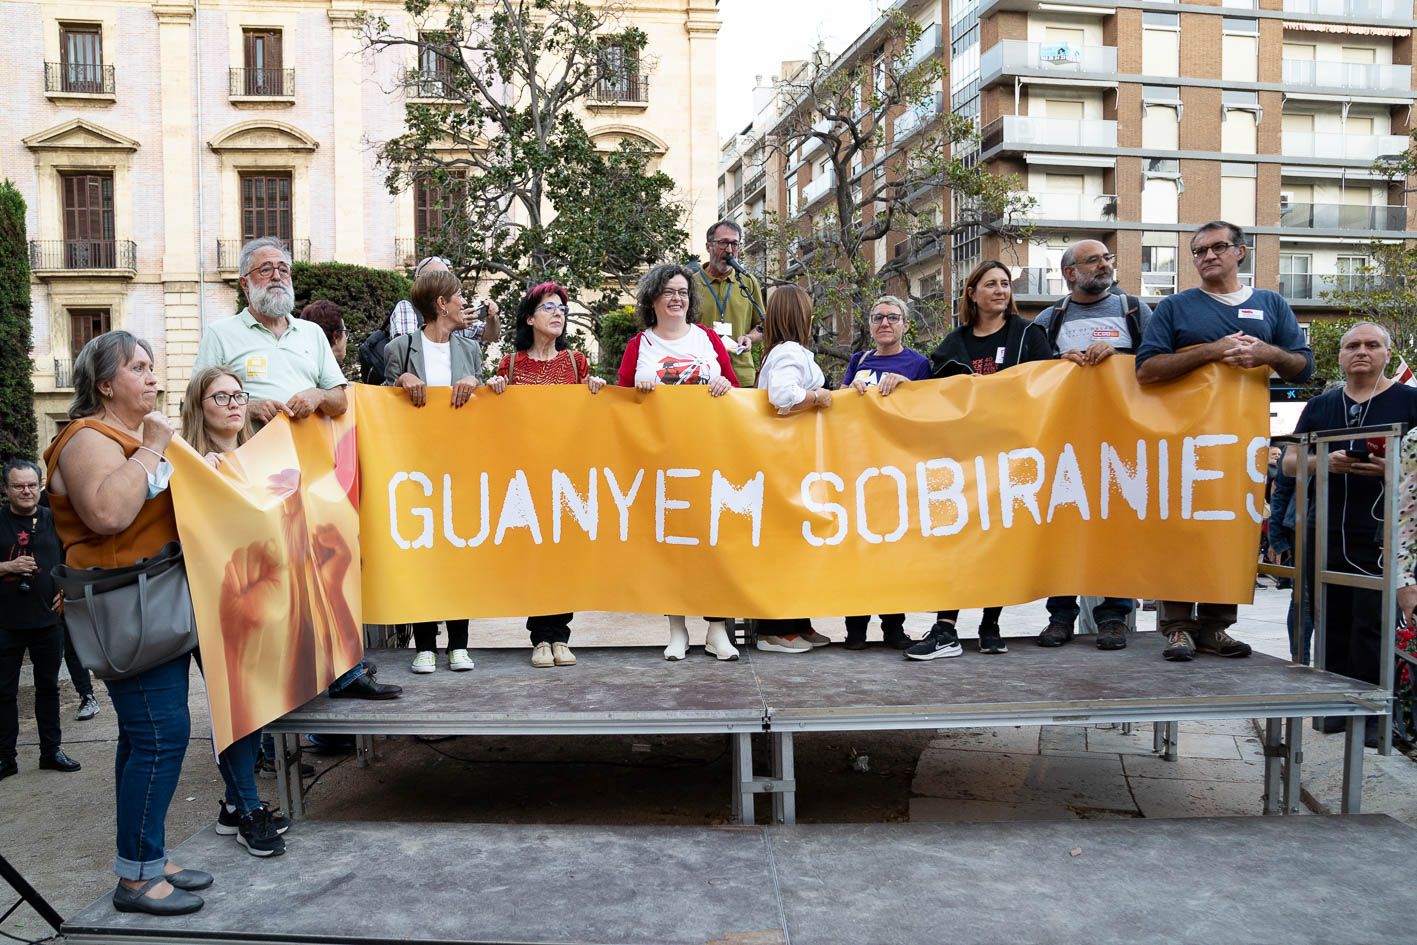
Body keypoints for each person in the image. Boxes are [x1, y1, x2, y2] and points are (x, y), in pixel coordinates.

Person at [42, 332, 208, 916]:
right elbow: (109, 513)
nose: (152, 377)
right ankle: (136, 879)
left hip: (146, 601)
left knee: (145, 738)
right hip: (124, 608)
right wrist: (154, 448)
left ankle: (147, 858)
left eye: (152, 366)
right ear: (105, 384)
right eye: (139, 368)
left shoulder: (124, 437)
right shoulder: (87, 438)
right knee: (163, 737)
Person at [195, 237, 398, 702]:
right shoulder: (222, 335)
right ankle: (278, 700)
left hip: (312, 472)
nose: (278, 275)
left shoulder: (310, 335)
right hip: (254, 476)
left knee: (327, 567)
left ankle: (344, 673)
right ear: (246, 283)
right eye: (265, 269)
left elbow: (340, 396)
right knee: (274, 584)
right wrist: (246, 406)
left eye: (283, 268)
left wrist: (315, 397)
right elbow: (200, 399)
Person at [1137, 221, 1314, 662]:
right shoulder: (1175, 307)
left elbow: (1303, 368)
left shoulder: (1270, 303)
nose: (1207, 256)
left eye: (1218, 247)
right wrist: (1214, 351)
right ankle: (1177, 626)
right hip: (1180, 441)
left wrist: (1268, 354)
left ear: (1242, 252)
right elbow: (1146, 370)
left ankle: (1217, 626)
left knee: (1230, 531)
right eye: (1198, 251)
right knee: (1178, 530)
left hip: (1241, 443)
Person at [909, 261, 1050, 661]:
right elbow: (930, 394)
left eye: (1005, 284)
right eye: (990, 284)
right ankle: (945, 628)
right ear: (972, 293)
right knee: (958, 542)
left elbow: (1051, 381)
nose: (1000, 290)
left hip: (1013, 457)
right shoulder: (954, 343)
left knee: (999, 542)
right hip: (965, 461)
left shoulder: (1028, 335)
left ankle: (991, 624)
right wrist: (905, 386)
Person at [176, 367, 289, 856]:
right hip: (209, 602)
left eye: (238, 395)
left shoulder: (258, 457)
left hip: (259, 598)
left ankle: (230, 804)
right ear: (199, 406)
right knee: (234, 704)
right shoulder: (185, 463)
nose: (232, 403)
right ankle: (247, 808)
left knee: (254, 704)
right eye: (219, 396)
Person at [1285, 323, 1417, 744]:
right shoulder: (1322, 405)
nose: (1362, 352)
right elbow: (1289, 461)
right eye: (1352, 346)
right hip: (1324, 530)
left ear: (1387, 352)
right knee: (1330, 621)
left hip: (1380, 532)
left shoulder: (1409, 401)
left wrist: (1393, 469)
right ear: (1340, 356)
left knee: (1374, 624)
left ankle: (1376, 717)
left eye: (1372, 345)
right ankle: (1333, 709)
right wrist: (1321, 463)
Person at [618, 263, 741, 661]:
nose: (677, 298)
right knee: (670, 546)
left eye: (684, 292)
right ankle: (677, 630)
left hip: (709, 457)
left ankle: (717, 630)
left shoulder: (706, 339)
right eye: (669, 291)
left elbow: (734, 391)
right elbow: (620, 403)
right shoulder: (642, 345)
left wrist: (724, 383)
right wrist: (638, 392)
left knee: (713, 544)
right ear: (652, 299)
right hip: (661, 462)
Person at [1032, 240, 1150, 651]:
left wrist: (1119, 355)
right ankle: (1060, 616)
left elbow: (1155, 365)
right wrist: (1058, 365)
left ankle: (1114, 616)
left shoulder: (1134, 311)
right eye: (1094, 260)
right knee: (1063, 528)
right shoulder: (1050, 319)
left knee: (1113, 531)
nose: (1104, 265)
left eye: (1107, 259)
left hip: (1120, 443)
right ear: (1069, 273)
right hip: (1065, 444)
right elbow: (1031, 377)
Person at [486, 281, 605, 668]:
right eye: (550, 307)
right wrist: (497, 389)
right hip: (525, 476)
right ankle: (540, 637)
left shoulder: (577, 363)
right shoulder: (511, 364)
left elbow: (588, 414)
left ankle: (560, 637)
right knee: (535, 554)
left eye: (563, 309)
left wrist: (595, 389)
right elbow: (499, 418)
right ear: (529, 317)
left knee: (562, 556)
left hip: (566, 476)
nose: (559, 314)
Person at [384, 269, 486, 674]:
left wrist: (474, 381)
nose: (465, 302)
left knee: (458, 553)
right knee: (423, 554)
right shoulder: (399, 348)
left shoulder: (470, 349)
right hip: (415, 468)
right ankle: (425, 645)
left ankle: (459, 644)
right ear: (441, 303)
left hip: (460, 466)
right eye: (459, 296)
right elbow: (382, 403)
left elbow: (483, 398)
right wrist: (401, 380)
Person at [842, 295, 930, 651]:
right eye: (878, 317)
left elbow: (929, 410)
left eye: (893, 317)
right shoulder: (857, 360)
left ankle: (894, 627)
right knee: (857, 552)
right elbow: (840, 408)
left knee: (896, 553)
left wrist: (907, 390)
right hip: (858, 469)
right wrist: (850, 392)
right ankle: (856, 630)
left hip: (899, 470)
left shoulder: (920, 363)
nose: (885, 323)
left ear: (906, 325)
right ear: (870, 325)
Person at [754, 284, 833, 654]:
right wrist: (818, 397)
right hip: (785, 458)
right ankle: (776, 628)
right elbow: (783, 397)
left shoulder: (781, 353)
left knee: (795, 543)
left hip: (788, 458)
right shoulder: (789, 353)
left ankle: (797, 621)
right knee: (786, 544)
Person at [0, 458, 81, 781]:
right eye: (18, 486)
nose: (26, 491)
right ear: (6, 489)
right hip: (5, 623)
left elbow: (72, 557)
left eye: (32, 485)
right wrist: (7, 568)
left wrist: (67, 588)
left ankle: (51, 751)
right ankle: (6, 757)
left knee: (48, 688)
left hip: (48, 621)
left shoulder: (53, 519)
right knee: (3, 692)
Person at [692, 220, 765, 386]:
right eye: (723, 243)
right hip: (703, 375)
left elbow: (763, 325)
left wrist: (749, 338)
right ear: (708, 246)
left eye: (735, 244)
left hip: (741, 375)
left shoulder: (748, 281)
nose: (730, 250)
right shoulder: (690, 284)